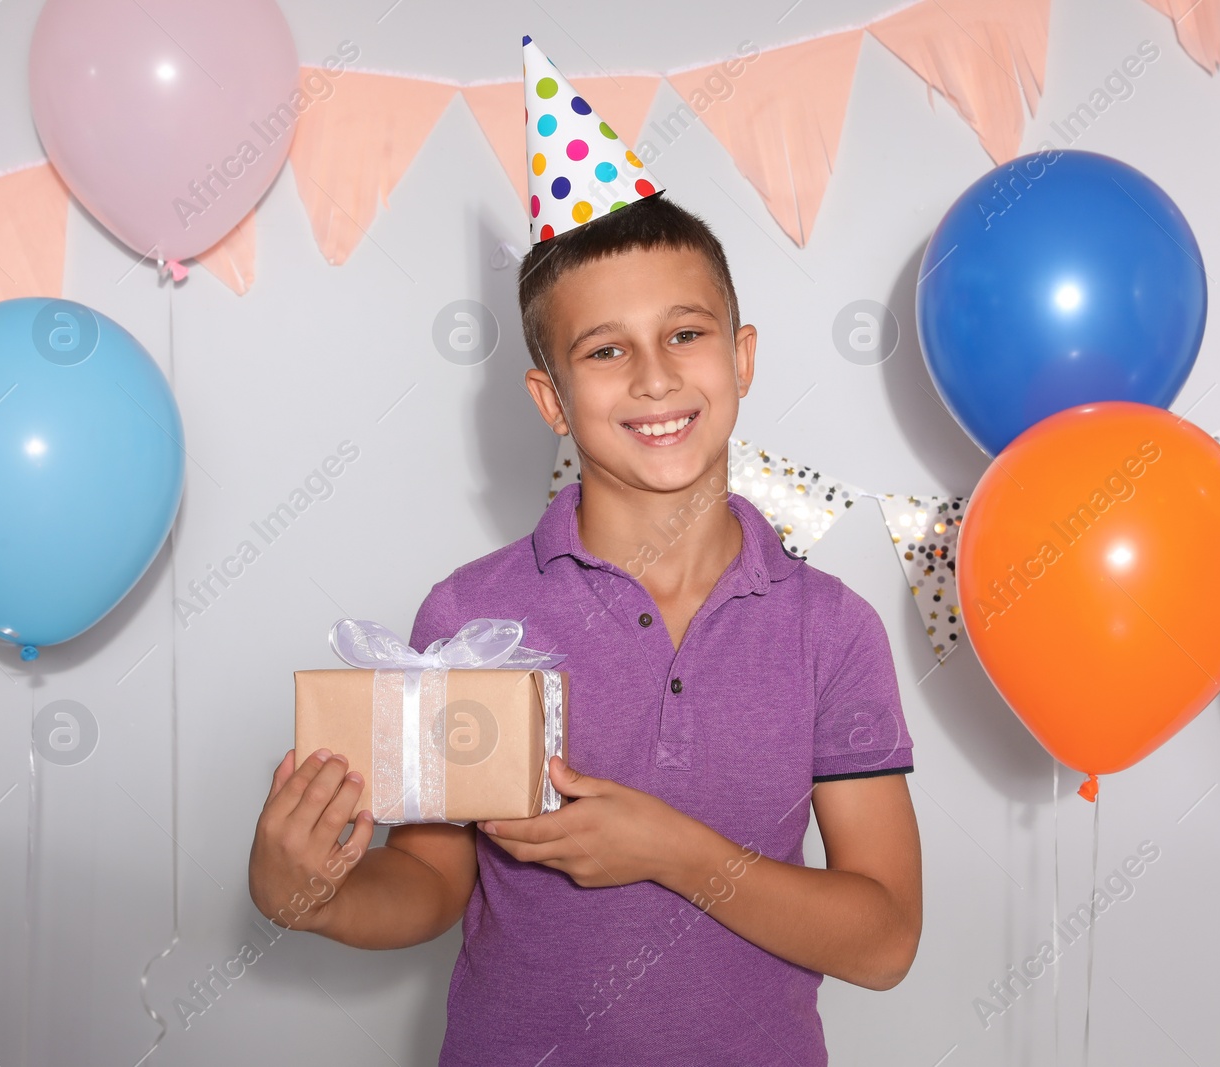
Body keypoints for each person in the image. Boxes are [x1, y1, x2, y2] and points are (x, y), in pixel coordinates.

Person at [247, 36, 921, 1066]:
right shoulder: (473, 619)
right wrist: (310, 891)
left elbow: (882, 940)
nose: (653, 376)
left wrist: (673, 850)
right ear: (551, 398)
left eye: (685, 333)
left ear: (740, 358)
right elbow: (429, 881)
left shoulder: (831, 628)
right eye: (605, 349)